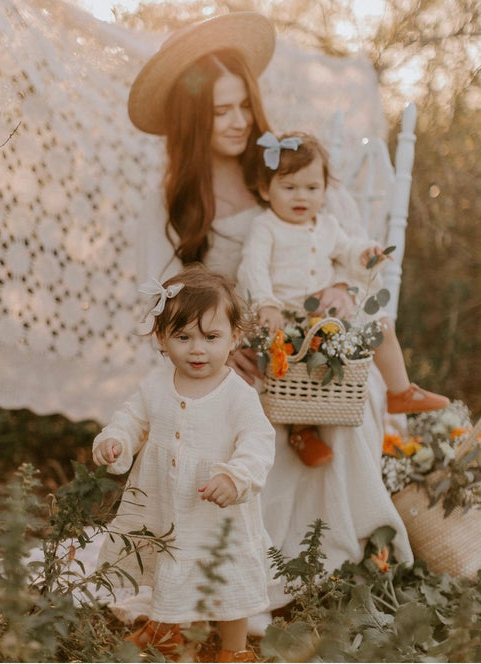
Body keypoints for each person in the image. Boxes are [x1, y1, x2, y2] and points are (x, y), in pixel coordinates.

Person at [128, 11, 414, 629]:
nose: (235, 122)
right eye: (218, 112)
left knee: (345, 389)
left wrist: (339, 284)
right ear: (191, 121)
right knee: (246, 411)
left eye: (240, 107)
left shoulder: (284, 161)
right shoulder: (179, 197)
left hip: (306, 332)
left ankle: (350, 557)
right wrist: (217, 341)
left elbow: (345, 243)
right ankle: (260, 568)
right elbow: (165, 292)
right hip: (238, 347)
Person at [93, 263, 276, 663]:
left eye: (211, 337)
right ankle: (167, 626)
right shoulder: (156, 385)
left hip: (218, 509)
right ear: (161, 337)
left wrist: (236, 476)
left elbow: (259, 441)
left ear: (234, 338)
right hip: (162, 500)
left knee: (228, 576)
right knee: (165, 560)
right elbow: (132, 418)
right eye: (183, 336)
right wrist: (116, 439)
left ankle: (234, 649)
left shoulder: (237, 395)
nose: (197, 349)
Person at [237, 130, 449, 467]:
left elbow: (346, 249)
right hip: (286, 316)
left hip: (324, 315)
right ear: (266, 190)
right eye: (289, 187)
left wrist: (366, 254)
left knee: (379, 326)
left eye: (311, 188)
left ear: (324, 190)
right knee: (293, 369)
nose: (300, 197)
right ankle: (301, 432)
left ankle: (400, 392)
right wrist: (266, 304)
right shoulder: (266, 227)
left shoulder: (328, 225)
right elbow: (253, 268)